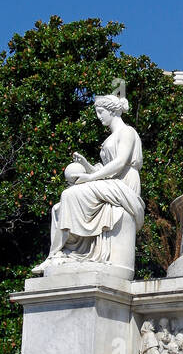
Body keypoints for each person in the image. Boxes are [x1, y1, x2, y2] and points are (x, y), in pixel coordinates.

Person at [35, 95, 144, 273]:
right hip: (110, 184)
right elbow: (105, 169)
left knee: (69, 194)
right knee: (58, 208)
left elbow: (119, 163)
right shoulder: (111, 137)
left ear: (113, 111)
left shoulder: (127, 132)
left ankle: (54, 253)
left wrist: (90, 178)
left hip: (124, 185)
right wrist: (86, 166)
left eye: (101, 112)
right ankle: (61, 253)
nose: (99, 116)